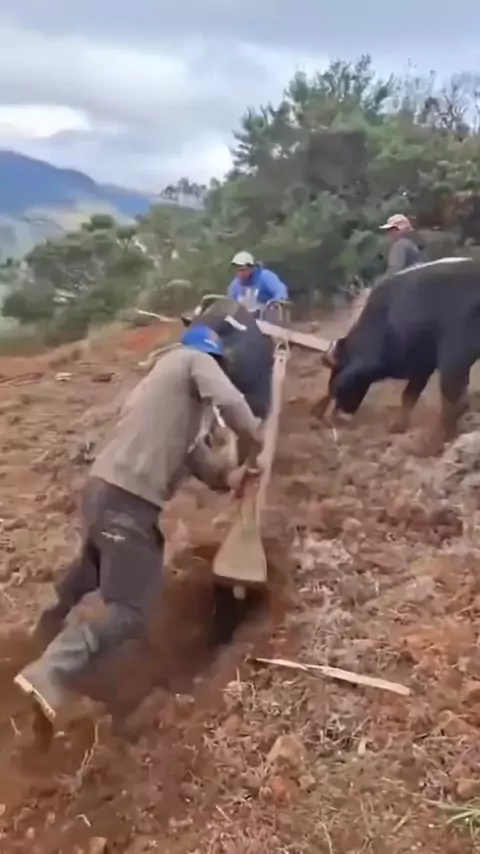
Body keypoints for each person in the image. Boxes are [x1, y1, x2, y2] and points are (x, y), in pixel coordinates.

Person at [15, 324, 264, 723]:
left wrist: (237, 477)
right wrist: (255, 435)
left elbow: (212, 471)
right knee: (130, 607)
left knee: (91, 572)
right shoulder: (191, 358)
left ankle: (42, 633)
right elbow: (232, 401)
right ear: (211, 359)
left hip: (101, 492)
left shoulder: (168, 410)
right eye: (218, 366)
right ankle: (51, 671)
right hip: (128, 505)